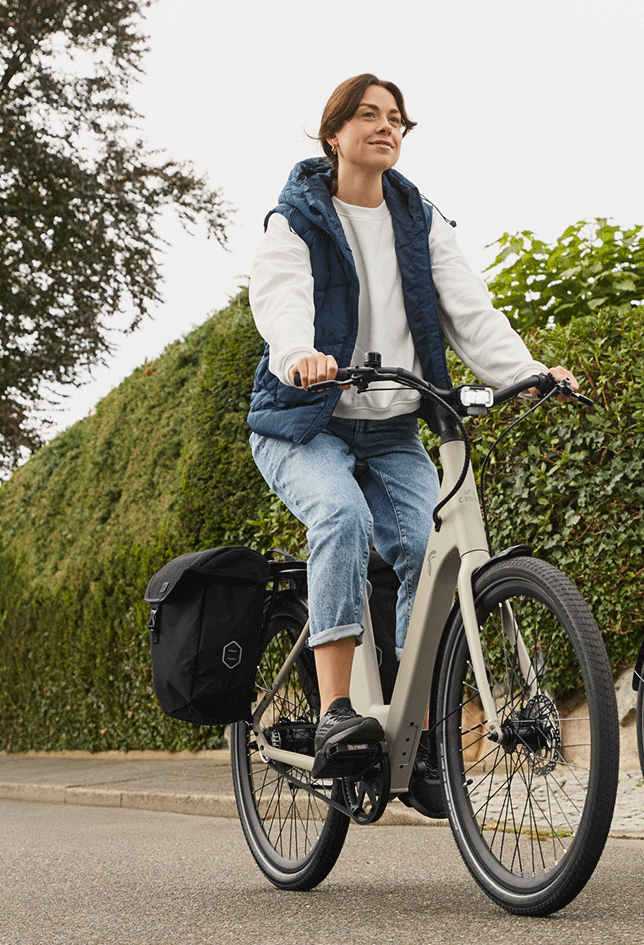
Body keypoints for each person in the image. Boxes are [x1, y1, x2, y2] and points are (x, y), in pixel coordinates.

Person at [246, 74, 578, 788]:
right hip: (305, 424)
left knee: (430, 557)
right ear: (333, 134)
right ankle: (335, 708)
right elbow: (281, 299)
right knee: (340, 516)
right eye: (368, 115)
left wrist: (526, 371)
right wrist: (299, 353)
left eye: (396, 118)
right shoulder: (296, 217)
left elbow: (469, 311)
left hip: (393, 428)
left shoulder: (419, 219)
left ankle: (418, 737)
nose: (385, 127)